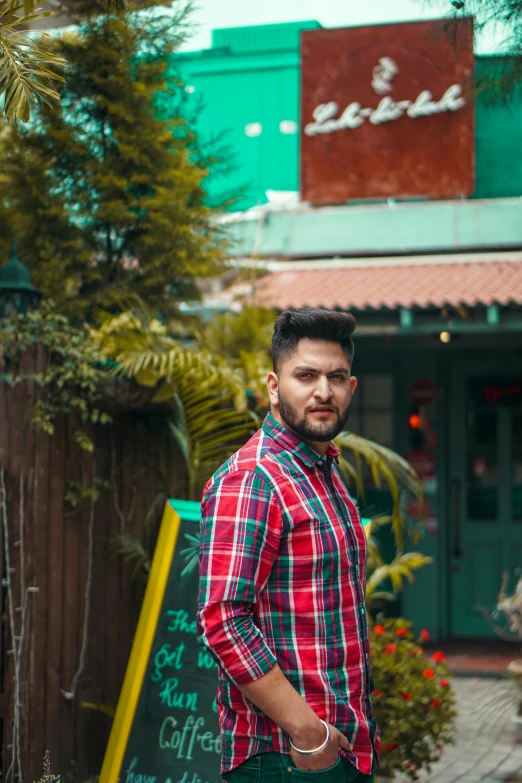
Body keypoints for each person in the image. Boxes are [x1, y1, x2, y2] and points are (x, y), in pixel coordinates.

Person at [197, 308, 379, 783]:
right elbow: (222, 620)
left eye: (336, 377)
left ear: (351, 388)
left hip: (341, 749)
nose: (323, 391)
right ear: (274, 387)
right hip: (284, 758)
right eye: (306, 375)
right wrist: (308, 733)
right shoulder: (254, 478)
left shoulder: (325, 472)